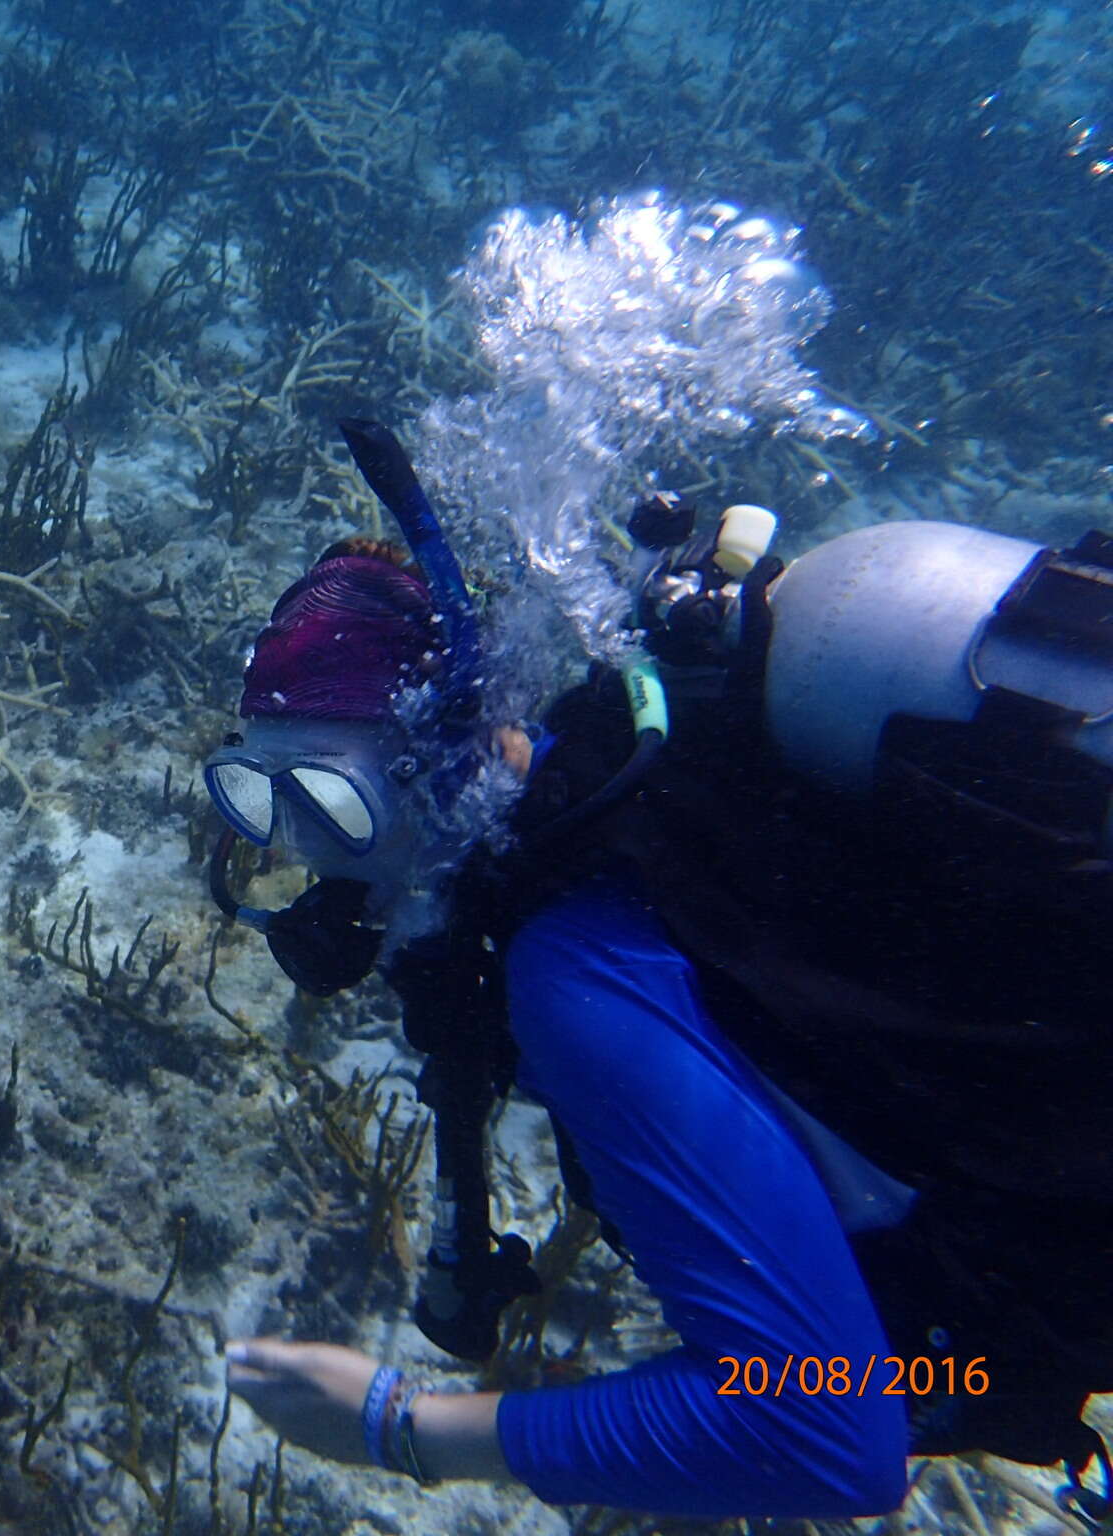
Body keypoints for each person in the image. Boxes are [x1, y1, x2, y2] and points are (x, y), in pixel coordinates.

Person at [205, 420, 1113, 1519]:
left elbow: (824, 1431)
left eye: (329, 802)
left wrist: (389, 1426)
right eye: (258, 798)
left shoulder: (570, 980)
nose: (301, 852)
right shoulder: (650, 805)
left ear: (437, 759)